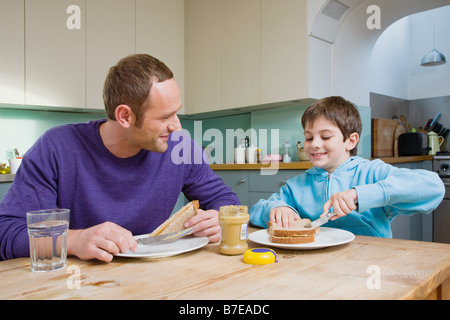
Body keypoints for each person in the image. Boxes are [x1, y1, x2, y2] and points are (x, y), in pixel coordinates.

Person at [0, 54, 239, 262]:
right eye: (166, 116)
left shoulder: (180, 148)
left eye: (177, 112)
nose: (176, 126)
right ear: (125, 116)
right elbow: (6, 232)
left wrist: (219, 218)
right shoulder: (56, 148)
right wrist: (73, 240)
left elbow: (225, 199)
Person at [250, 96, 445, 237]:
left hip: (370, 264)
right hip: (315, 266)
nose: (314, 144)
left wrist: (361, 194)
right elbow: (256, 210)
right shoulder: (296, 185)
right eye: (308, 137)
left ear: (350, 141)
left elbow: (433, 187)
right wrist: (277, 209)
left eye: (325, 137)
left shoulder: (371, 173)